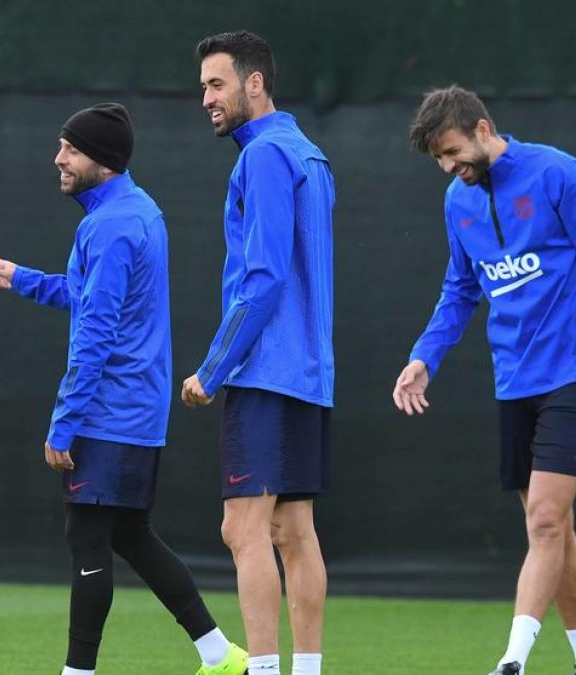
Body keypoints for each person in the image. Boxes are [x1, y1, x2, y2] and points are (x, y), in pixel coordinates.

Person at [0, 102, 247, 675]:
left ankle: (79, 672)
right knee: (131, 535)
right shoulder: (132, 211)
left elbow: (95, 334)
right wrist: (23, 278)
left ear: (101, 158)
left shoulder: (113, 224)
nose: (59, 159)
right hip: (136, 412)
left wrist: (63, 422)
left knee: (89, 536)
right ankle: (219, 655)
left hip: (109, 414)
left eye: (70, 149)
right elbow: (91, 296)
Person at [391, 86, 576, 675]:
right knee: (555, 533)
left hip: (575, 371)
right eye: (439, 161)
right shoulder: (459, 201)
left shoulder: (557, 174)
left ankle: (512, 661)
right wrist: (426, 356)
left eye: (453, 152)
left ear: (482, 129)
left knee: (547, 521)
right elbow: (461, 289)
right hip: (514, 381)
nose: (449, 168)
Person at [181, 31, 335, 675]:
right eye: (203, 89)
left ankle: (264, 669)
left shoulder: (265, 156)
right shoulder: (310, 155)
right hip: (309, 376)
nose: (207, 100)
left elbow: (264, 278)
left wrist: (212, 368)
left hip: (263, 372)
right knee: (292, 531)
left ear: (255, 82)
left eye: (216, 85)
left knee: (244, 530)